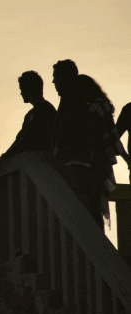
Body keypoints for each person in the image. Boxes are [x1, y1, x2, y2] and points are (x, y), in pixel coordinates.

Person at [51, 60, 102, 229]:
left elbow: (66, 132)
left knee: (79, 212)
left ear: (63, 79)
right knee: (88, 210)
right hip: (83, 163)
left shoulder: (70, 99)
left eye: (55, 78)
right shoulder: (80, 99)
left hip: (75, 164)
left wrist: (59, 152)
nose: (53, 82)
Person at [0, 71, 56, 170]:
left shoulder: (46, 109)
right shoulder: (30, 114)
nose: (20, 93)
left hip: (42, 164)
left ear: (27, 90)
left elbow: (28, 139)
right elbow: (19, 139)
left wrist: (4, 157)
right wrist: (3, 157)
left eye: (21, 89)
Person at [77, 74, 118, 228]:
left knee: (93, 200)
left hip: (98, 159)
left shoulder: (97, 106)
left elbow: (101, 136)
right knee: (93, 202)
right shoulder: (98, 105)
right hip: (98, 159)